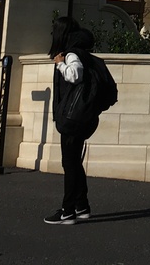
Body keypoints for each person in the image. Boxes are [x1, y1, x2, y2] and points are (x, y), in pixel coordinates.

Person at [45, 17, 99, 225]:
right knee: (74, 162)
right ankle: (82, 205)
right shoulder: (79, 50)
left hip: (72, 117)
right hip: (79, 116)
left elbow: (75, 75)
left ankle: (68, 211)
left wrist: (60, 64)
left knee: (69, 164)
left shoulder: (72, 53)